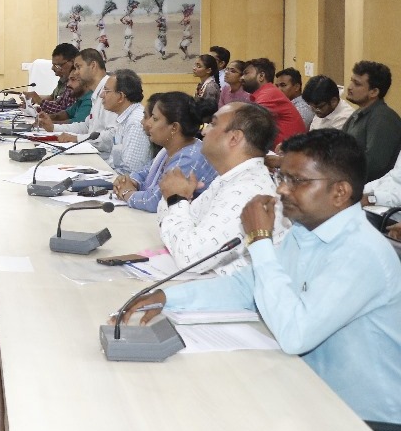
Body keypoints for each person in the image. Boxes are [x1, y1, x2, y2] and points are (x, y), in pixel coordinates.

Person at [121, 129, 401, 431]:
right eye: (281, 177)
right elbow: (247, 285)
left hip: (367, 423)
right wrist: (167, 296)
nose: (281, 189)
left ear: (339, 192)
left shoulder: (361, 252)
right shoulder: (306, 231)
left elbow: (295, 334)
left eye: (296, 181)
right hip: (312, 391)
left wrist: (259, 239)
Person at [157, 102, 284, 275]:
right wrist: (178, 201)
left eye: (213, 124)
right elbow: (169, 223)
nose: (204, 131)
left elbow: (189, 258)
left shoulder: (247, 191)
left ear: (234, 138)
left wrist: (177, 199)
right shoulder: (230, 178)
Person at [113, 92, 217, 212]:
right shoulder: (170, 149)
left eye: (155, 119)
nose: (148, 123)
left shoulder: (190, 157)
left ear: (174, 127)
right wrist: (129, 182)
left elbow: (156, 201)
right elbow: (144, 172)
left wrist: (126, 193)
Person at [38, 49, 118, 157]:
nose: (76, 72)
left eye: (78, 67)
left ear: (93, 66)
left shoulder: (110, 91)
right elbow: (86, 126)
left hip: (105, 161)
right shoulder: (96, 93)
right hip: (94, 154)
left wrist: (76, 138)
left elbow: (112, 136)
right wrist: (54, 128)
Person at [341, 61, 401, 183]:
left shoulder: (383, 118)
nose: (350, 87)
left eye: (357, 84)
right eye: (351, 81)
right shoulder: (358, 113)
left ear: (374, 92)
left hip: (371, 189)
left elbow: (374, 164)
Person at [96, 69, 151, 175]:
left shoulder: (136, 123)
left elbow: (130, 172)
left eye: (106, 91)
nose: (101, 95)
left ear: (121, 97)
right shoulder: (124, 118)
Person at [240, 58, 306, 146]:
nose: (241, 78)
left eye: (246, 73)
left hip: (289, 151)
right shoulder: (266, 92)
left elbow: (248, 122)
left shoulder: (269, 93)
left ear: (261, 76)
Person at [24, 43, 78, 111]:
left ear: (72, 62)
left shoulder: (77, 85)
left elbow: (66, 112)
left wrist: (40, 101)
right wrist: (33, 102)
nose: (53, 68)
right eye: (53, 65)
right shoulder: (63, 79)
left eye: (57, 66)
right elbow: (55, 100)